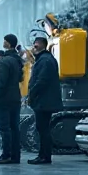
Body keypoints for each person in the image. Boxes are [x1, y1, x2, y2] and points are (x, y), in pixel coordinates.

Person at [27, 36, 62, 165]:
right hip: (43, 100)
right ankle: (43, 155)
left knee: (43, 129)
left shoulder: (45, 60)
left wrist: (32, 94)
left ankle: (45, 156)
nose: (34, 47)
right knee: (42, 128)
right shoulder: (44, 59)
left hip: (44, 100)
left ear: (42, 45)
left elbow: (42, 80)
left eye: (36, 45)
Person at [0, 34, 25, 165]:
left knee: (4, 128)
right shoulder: (18, 60)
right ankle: (15, 156)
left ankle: (6, 155)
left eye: (4, 41)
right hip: (15, 97)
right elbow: (20, 78)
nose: (3, 43)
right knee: (14, 128)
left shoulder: (4, 61)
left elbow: (2, 81)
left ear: (8, 43)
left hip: (4, 99)